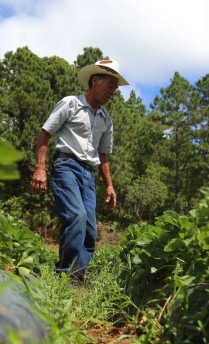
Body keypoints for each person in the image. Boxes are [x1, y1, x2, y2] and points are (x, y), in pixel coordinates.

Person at [30, 59, 129, 281]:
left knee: (90, 229)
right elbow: (45, 133)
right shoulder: (71, 104)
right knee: (76, 216)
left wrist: (110, 186)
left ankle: (76, 277)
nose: (113, 91)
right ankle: (65, 275)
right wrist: (40, 169)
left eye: (115, 87)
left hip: (88, 173)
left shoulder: (106, 119)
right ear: (95, 81)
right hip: (66, 165)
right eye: (111, 85)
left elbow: (103, 154)